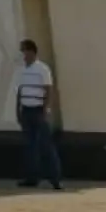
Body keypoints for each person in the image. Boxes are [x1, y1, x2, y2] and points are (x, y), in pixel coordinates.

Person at [15, 38, 64, 190]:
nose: (23, 55)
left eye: (24, 51)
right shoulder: (22, 70)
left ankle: (55, 178)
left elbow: (48, 89)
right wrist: (18, 109)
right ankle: (32, 177)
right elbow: (20, 91)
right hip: (26, 110)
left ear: (31, 51)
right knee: (30, 146)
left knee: (45, 145)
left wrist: (46, 109)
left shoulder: (42, 69)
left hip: (38, 110)